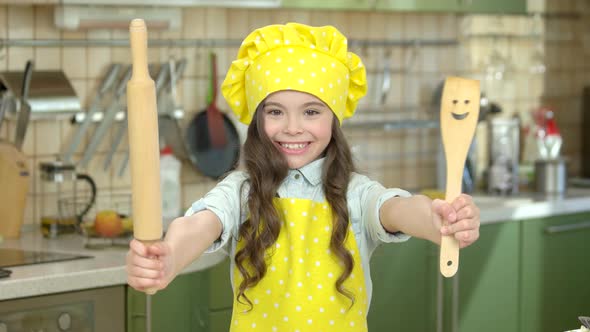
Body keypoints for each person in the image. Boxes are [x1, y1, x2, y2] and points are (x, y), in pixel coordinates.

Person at [126, 22, 481, 331]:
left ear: (333, 118)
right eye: (276, 111)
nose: (292, 128)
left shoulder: (354, 193)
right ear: (257, 119)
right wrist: (169, 255)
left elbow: (397, 209)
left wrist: (438, 221)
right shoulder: (241, 190)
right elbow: (199, 225)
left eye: (311, 111)